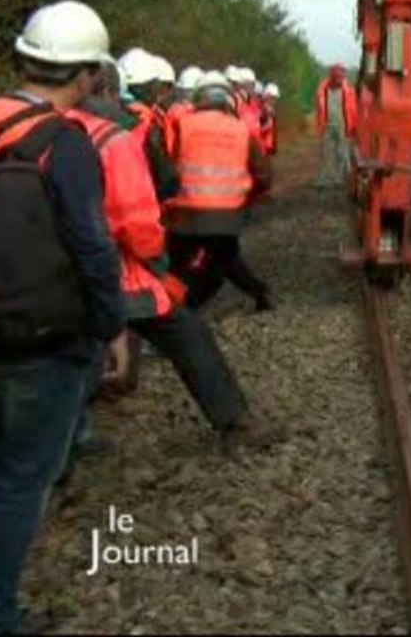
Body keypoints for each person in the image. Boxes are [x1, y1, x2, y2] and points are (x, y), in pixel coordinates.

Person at [0, 0, 128, 635]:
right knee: (22, 479)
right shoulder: (68, 142)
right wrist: (112, 328)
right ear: (85, 73)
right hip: (50, 340)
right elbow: (92, 245)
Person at [68, 62, 275, 457]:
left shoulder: (56, 127)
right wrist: (157, 265)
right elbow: (135, 218)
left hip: (63, 269)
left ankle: (68, 443)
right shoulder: (116, 136)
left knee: (72, 349)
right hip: (118, 266)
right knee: (184, 331)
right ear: (110, 91)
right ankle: (235, 422)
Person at [166, 71, 274, 312]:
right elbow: (264, 175)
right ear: (227, 98)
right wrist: (248, 195)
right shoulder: (241, 130)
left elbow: (169, 165)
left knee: (178, 265)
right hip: (227, 215)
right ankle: (185, 310)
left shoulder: (182, 124)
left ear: (197, 97)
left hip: (186, 213)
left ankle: (179, 310)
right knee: (223, 260)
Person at [118, 49, 179, 202]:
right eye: (155, 86)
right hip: (142, 200)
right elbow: (165, 177)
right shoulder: (148, 124)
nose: (159, 92)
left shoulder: (105, 115)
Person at [315, 64, 358, 189]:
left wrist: (353, 126)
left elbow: (353, 110)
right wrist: (320, 125)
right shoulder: (322, 90)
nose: (339, 79)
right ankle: (325, 179)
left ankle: (340, 180)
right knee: (326, 153)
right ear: (332, 77)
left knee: (342, 153)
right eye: (337, 77)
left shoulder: (349, 91)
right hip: (327, 125)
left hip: (343, 125)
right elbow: (319, 109)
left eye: (341, 77)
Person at [260, 83, 280, 157]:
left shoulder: (270, 111)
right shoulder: (261, 111)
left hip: (268, 147)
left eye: (274, 98)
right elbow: (257, 130)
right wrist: (266, 126)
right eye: (272, 98)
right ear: (266, 96)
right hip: (262, 148)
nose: (273, 101)